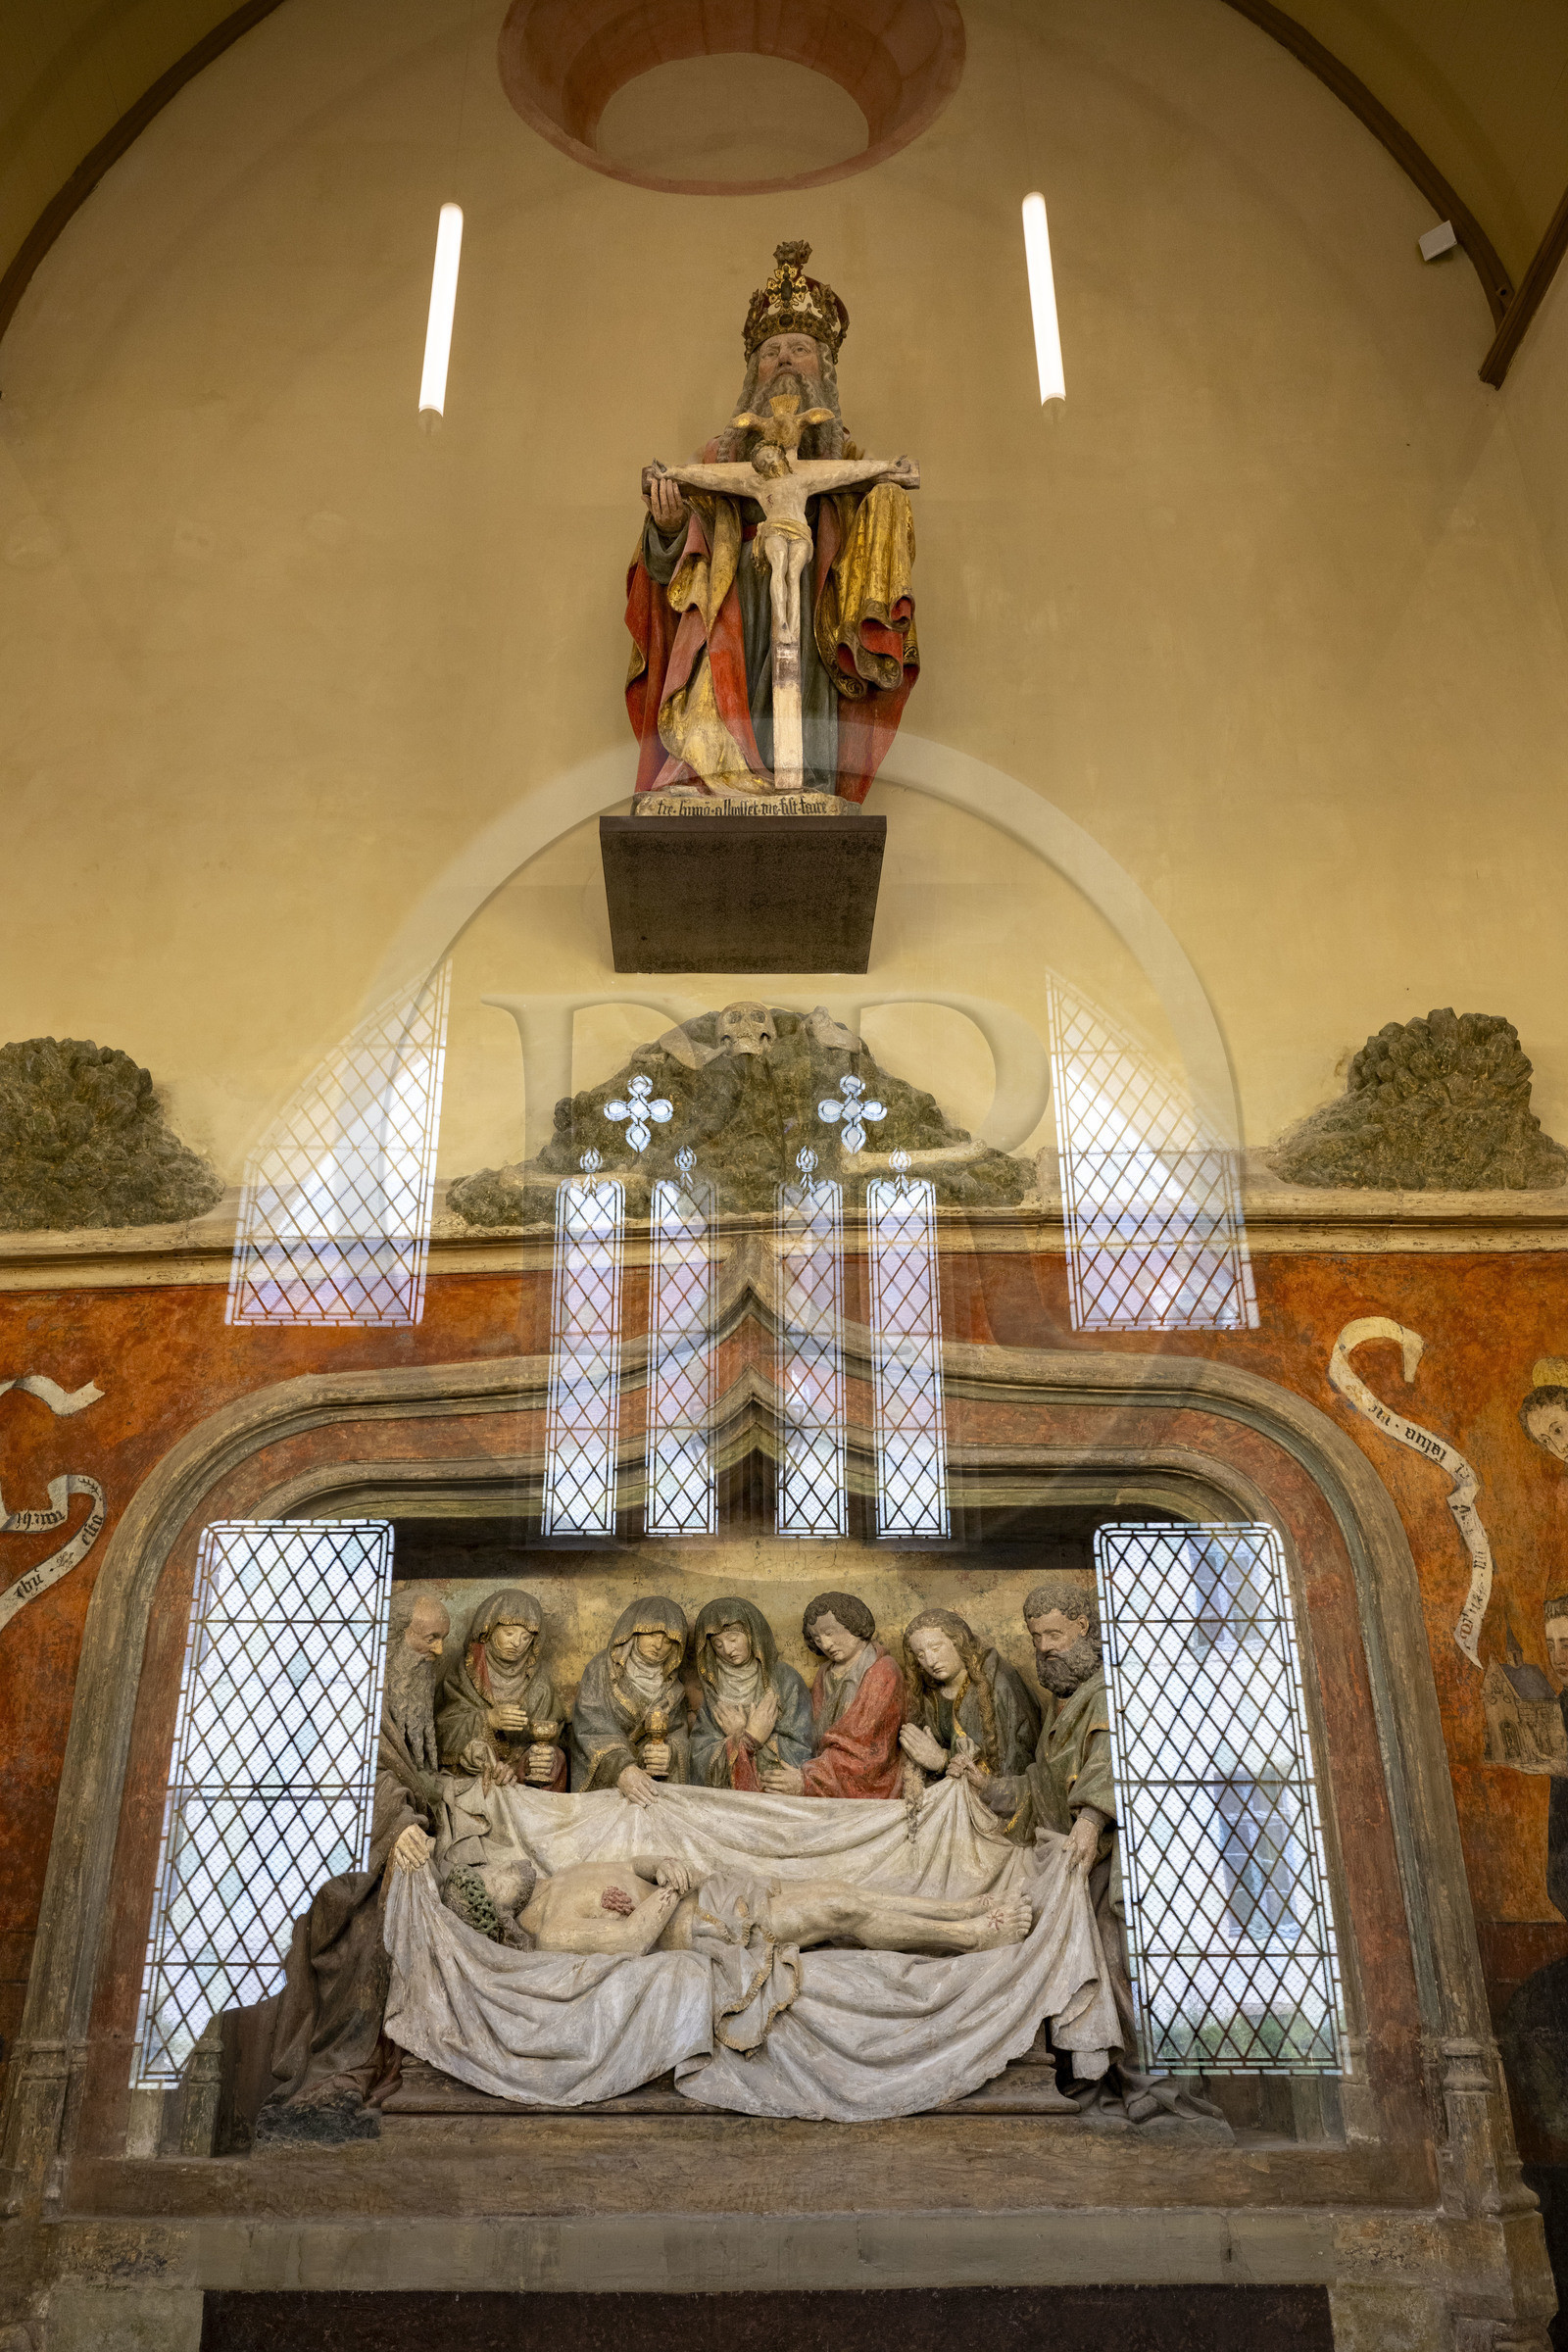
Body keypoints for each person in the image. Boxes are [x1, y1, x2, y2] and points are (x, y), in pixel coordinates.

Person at [626, 239, 918, 805]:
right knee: (711, 691)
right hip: (730, 596)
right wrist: (667, 526)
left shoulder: (846, 461)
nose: (784, 359)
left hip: (813, 598)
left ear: (824, 370)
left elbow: (877, 511)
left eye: (799, 349)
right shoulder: (718, 459)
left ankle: (803, 783)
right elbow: (671, 563)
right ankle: (710, 778)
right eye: (771, 351)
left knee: (799, 700)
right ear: (753, 375)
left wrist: (887, 494)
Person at [256, 1592, 449, 2142]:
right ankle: (339, 2070)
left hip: (392, 1840)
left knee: (415, 1906)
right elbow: (348, 1768)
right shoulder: (348, 1688)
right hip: (335, 1847)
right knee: (367, 1933)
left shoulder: (407, 1696)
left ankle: (384, 2065)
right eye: (428, 1638)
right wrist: (396, 1823)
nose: (438, 1652)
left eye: (442, 1639)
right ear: (392, 1635)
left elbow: (410, 1773)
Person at [760, 1591, 904, 1798]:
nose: (825, 1645)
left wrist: (809, 1780)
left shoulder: (882, 1670)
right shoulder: (825, 1674)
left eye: (830, 1633)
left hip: (869, 1782)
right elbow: (813, 1736)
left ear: (852, 1623)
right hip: (825, 1771)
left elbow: (868, 1751)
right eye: (817, 1639)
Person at [898, 1607, 1041, 1792]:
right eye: (921, 1655)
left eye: (935, 1648)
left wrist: (942, 1760)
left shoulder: (999, 1685)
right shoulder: (929, 1696)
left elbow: (1011, 1769)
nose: (930, 1661)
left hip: (995, 1798)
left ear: (958, 1642)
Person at [436, 1586, 565, 1789]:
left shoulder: (539, 1681)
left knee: (557, 1757)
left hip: (521, 1775)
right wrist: (488, 1719)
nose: (517, 1643)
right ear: (488, 1630)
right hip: (477, 1772)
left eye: (526, 1637)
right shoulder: (465, 1671)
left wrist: (539, 1757)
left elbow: (553, 1735)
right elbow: (442, 1729)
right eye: (509, 1633)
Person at [568, 1595, 692, 1802]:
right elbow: (590, 1726)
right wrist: (622, 1768)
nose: (658, 1645)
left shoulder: (673, 1688)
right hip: (608, 1778)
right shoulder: (602, 1670)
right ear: (634, 1631)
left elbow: (679, 1734)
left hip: (651, 1785)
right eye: (652, 1634)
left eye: (668, 1640)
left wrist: (669, 1753)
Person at [690, 1595, 813, 1791]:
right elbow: (698, 1756)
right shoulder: (714, 1688)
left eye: (733, 1638)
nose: (728, 1649)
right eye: (718, 1644)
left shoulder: (784, 1679)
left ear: (752, 1633)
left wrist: (748, 1739)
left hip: (775, 1790)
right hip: (729, 1797)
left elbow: (803, 1748)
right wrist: (746, 1739)